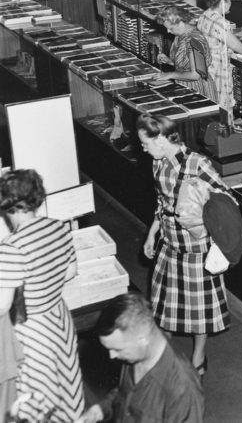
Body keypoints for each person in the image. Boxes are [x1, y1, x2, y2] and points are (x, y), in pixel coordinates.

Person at [137, 114, 231, 376]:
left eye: (145, 143)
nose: (142, 149)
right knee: (164, 301)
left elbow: (225, 196)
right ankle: (163, 356)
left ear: (161, 139)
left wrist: (201, 212)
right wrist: (151, 234)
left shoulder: (197, 163)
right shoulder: (158, 164)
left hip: (195, 247)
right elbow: (161, 204)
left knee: (199, 308)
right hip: (169, 243)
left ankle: (198, 357)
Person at [0, 169, 84, 422]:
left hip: (32, 330)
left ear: (6, 204)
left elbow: (3, 305)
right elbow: (71, 271)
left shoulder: (11, 247)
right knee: (65, 382)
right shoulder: (58, 227)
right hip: (59, 318)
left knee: (37, 397)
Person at [75, 293, 203, 423]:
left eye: (117, 349)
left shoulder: (183, 388)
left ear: (143, 338)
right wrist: (100, 410)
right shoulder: (135, 354)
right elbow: (126, 394)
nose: (112, 356)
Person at [196, 0, 242, 122]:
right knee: (223, 110)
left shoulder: (204, 15)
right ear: (223, 1)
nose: (231, 3)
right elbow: (240, 48)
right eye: (229, 0)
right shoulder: (221, 23)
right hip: (218, 71)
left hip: (205, 68)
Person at [153, 5, 217, 102]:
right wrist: (170, 61)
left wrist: (170, 74)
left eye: (171, 28)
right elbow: (187, 63)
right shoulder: (181, 35)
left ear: (181, 23)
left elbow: (196, 75)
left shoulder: (195, 40)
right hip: (186, 86)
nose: (168, 31)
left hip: (199, 89)